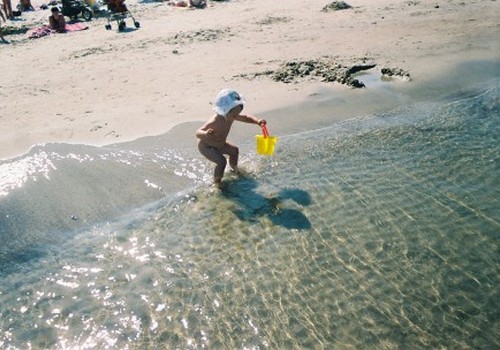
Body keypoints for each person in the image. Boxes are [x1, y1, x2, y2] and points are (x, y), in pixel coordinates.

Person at [196, 89, 267, 186]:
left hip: (220, 144)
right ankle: (217, 183)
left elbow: (246, 118)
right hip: (206, 147)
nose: (236, 116)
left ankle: (234, 168)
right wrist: (205, 134)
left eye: (238, 113)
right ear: (225, 110)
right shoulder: (215, 121)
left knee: (234, 151)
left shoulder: (231, 115)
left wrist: (257, 121)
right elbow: (198, 132)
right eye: (234, 114)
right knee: (221, 162)